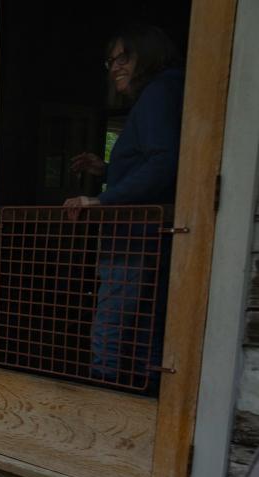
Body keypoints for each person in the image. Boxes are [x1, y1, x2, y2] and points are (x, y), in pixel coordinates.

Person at [64, 25, 183, 390]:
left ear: (147, 56)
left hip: (134, 232)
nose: (115, 67)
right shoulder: (165, 92)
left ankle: (106, 389)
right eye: (111, 60)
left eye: (123, 58)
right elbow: (152, 160)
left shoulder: (159, 93)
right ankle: (142, 387)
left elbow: (164, 162)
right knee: (146, 314)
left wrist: (102, 199)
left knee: (114, 313)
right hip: (147, 230)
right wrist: (108, 170)